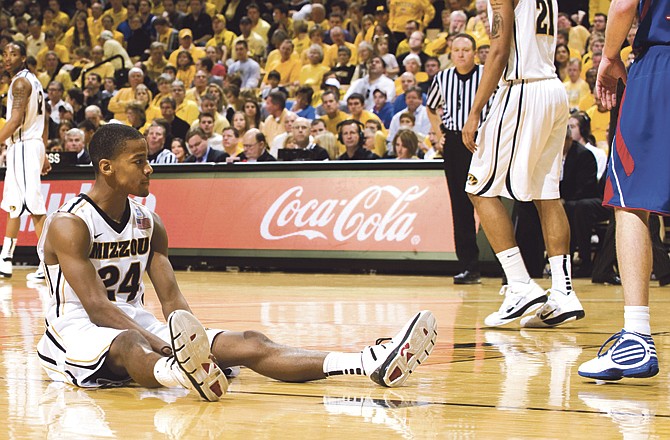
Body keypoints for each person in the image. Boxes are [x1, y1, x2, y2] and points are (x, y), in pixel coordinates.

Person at [34, 123, 438, 400]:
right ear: (106, 167)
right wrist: (169, 349)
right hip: (75, 332)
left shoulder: (149, 221)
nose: (149, 167)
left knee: (249, 342)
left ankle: (367, 363)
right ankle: (182, 375)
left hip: (136, 321)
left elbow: (171, 299)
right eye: (138, 160)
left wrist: (191, 339)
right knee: (131, 343)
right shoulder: (70, 224)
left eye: (147, 158)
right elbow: (97, 307)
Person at [461, 0, 585, 328]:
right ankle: (563, 291)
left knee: (478, 187)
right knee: (548, 194)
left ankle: (519, 284)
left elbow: (499, 51)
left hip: (522, 90)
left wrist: (475, 111)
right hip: (553, 91)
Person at [578, 0, 668, 381]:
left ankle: (636, 337)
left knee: (631, 202)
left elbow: (624, 4)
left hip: (661, 65)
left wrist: (609, 56)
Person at [427, 33, 493, 285]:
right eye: (457, 50)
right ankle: (469, 266)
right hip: (454, 143)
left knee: (488, 202)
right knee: (460, 206)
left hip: (481, 143)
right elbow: (431, 107)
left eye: (466, 49)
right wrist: (438, 133)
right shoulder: (442, 78)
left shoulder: (487, 75)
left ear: (475, 52)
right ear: (451, 53)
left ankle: (505, 265)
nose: (461, 54)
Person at [0, 41, 51, 280]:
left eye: (14, 54)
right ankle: (5, 259)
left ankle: (48, 263)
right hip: (31, 146)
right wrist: (44, 150)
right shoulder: (35, 81)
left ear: (23, 57)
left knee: (34, 207)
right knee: (14, 204)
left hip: (23, 146)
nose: (7, 58)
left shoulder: (20, 82)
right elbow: (46, 118)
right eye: (5, 54)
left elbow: (15, 120)